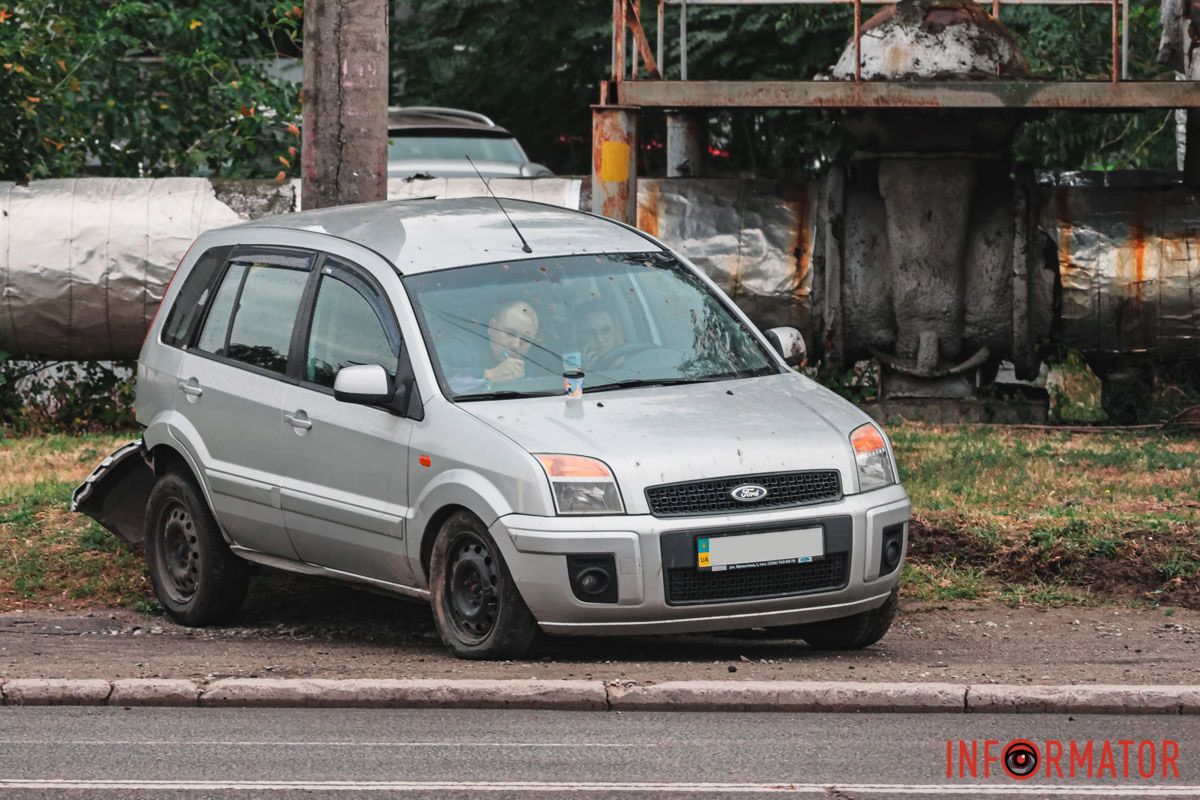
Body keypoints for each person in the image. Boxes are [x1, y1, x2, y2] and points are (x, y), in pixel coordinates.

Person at [440, 300, 539, 393]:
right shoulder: (459, 349)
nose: (516, 345)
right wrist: (488, 375)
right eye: (510, 333)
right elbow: (436, 382)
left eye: (526, 340)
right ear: (492, 327)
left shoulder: (537, 362)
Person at [576, 301, 625, 370]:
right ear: (581, 336)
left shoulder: (635, 364)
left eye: (606, 330)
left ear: (616, 331)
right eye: (590, 333)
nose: (600, 340)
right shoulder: (568, 367)